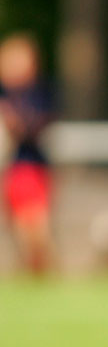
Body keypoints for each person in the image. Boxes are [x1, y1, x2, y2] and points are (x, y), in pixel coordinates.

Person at [0, 33, 56, 274]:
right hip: (11, 169)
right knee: (19, 231)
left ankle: (43, 272)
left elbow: (33, 126)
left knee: (35, 229)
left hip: (30, 167)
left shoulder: (38, 94)